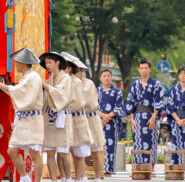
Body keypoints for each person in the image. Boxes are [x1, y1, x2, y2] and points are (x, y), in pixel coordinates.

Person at [0, 48, 43, 182]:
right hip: (23, 119)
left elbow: (17, 91)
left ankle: (37, 181)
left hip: (32, 119)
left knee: (35, 153)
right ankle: (25, 177)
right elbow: (17, 94)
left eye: (17, 62)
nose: (15, 64)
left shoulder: (33, 77)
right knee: (12, 151)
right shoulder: (26, 77)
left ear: (24, 63)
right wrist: (2, 86)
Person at [124, 59, 164, 171]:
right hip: (137, 117)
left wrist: (154, 117)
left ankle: (151, 169)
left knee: (152, 141)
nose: (143, 70)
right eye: (141, 68)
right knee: (138, 142)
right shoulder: (134, 85)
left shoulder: (156, 84)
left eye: (146, 68)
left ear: (150, 69)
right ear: (138, 70)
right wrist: (131, 119)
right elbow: (130, 102)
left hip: (151, 116)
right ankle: (139, 167)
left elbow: (159, 101)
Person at [39, 51, 72, 182]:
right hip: (49, 118)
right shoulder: (49, 80)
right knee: (50, 152)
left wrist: (45, 86)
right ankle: (54, 179)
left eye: (50, 62)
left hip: (62, 117)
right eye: (46, 63)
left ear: (58, 62)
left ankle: (68, 178)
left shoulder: (66, 78)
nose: (47, 65)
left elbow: (61, 95)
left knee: (63, 153)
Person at [60, 52, 92, 182]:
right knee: (63, 151)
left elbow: (78, 103)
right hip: (65, 119)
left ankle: (78, 178)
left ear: (71, 69)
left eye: (66, 66)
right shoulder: (60, 81)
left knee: (79, 152)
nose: (64, 68)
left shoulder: (76, 82)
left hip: (77, 118)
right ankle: (65, 177)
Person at [97, 69, 123, 176]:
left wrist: (108, 117)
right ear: (100, 78)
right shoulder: (96, 91)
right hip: (98, 123)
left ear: (111, 77)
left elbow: (119, 107)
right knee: (99, 145)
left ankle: (109, 169)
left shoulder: (117, 92)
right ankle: (98, 168)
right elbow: (92, 106)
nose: (107, 78)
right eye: (104, 76)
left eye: (108, 75)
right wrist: (103, 116)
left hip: (112, 123)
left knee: (111, 146)